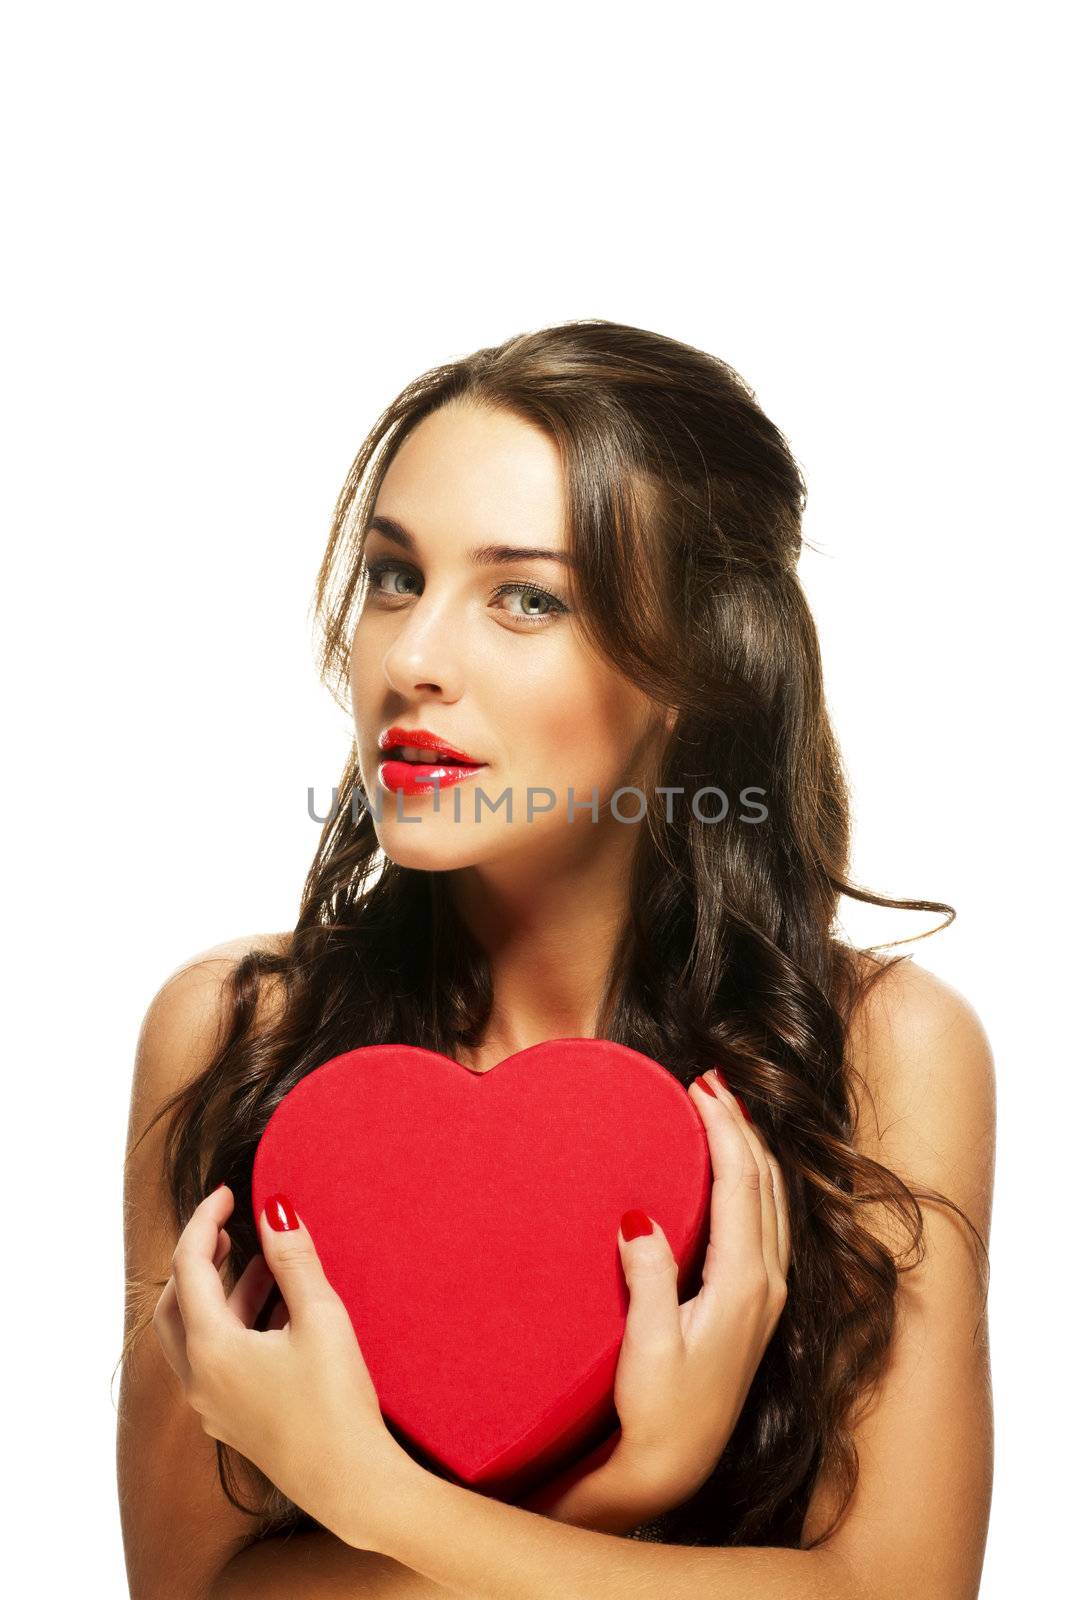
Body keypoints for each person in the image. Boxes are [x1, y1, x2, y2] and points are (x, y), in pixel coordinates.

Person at [116, 319, 995, 1598]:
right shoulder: (234, 1032)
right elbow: (190, 1593)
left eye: (524, 597)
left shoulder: (881, 1048)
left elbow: (897, 1593)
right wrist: (620, 1488)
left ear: (695, 665)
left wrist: (363, 1502)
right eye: (394, 576)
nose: (412, 660)